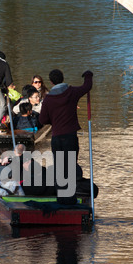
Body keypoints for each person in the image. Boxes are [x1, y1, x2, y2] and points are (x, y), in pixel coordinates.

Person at [39, 68, 93, 204]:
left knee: (60, 168)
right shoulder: (72, 92)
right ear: (63, 78)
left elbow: (42, 120)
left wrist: (54, 119)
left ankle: (62, 198)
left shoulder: (48, 99)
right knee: (71, 166)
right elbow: (87, 87)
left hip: (57, 138)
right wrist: (88, 75)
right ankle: (70, 198)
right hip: (70, 137)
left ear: (51, 82)